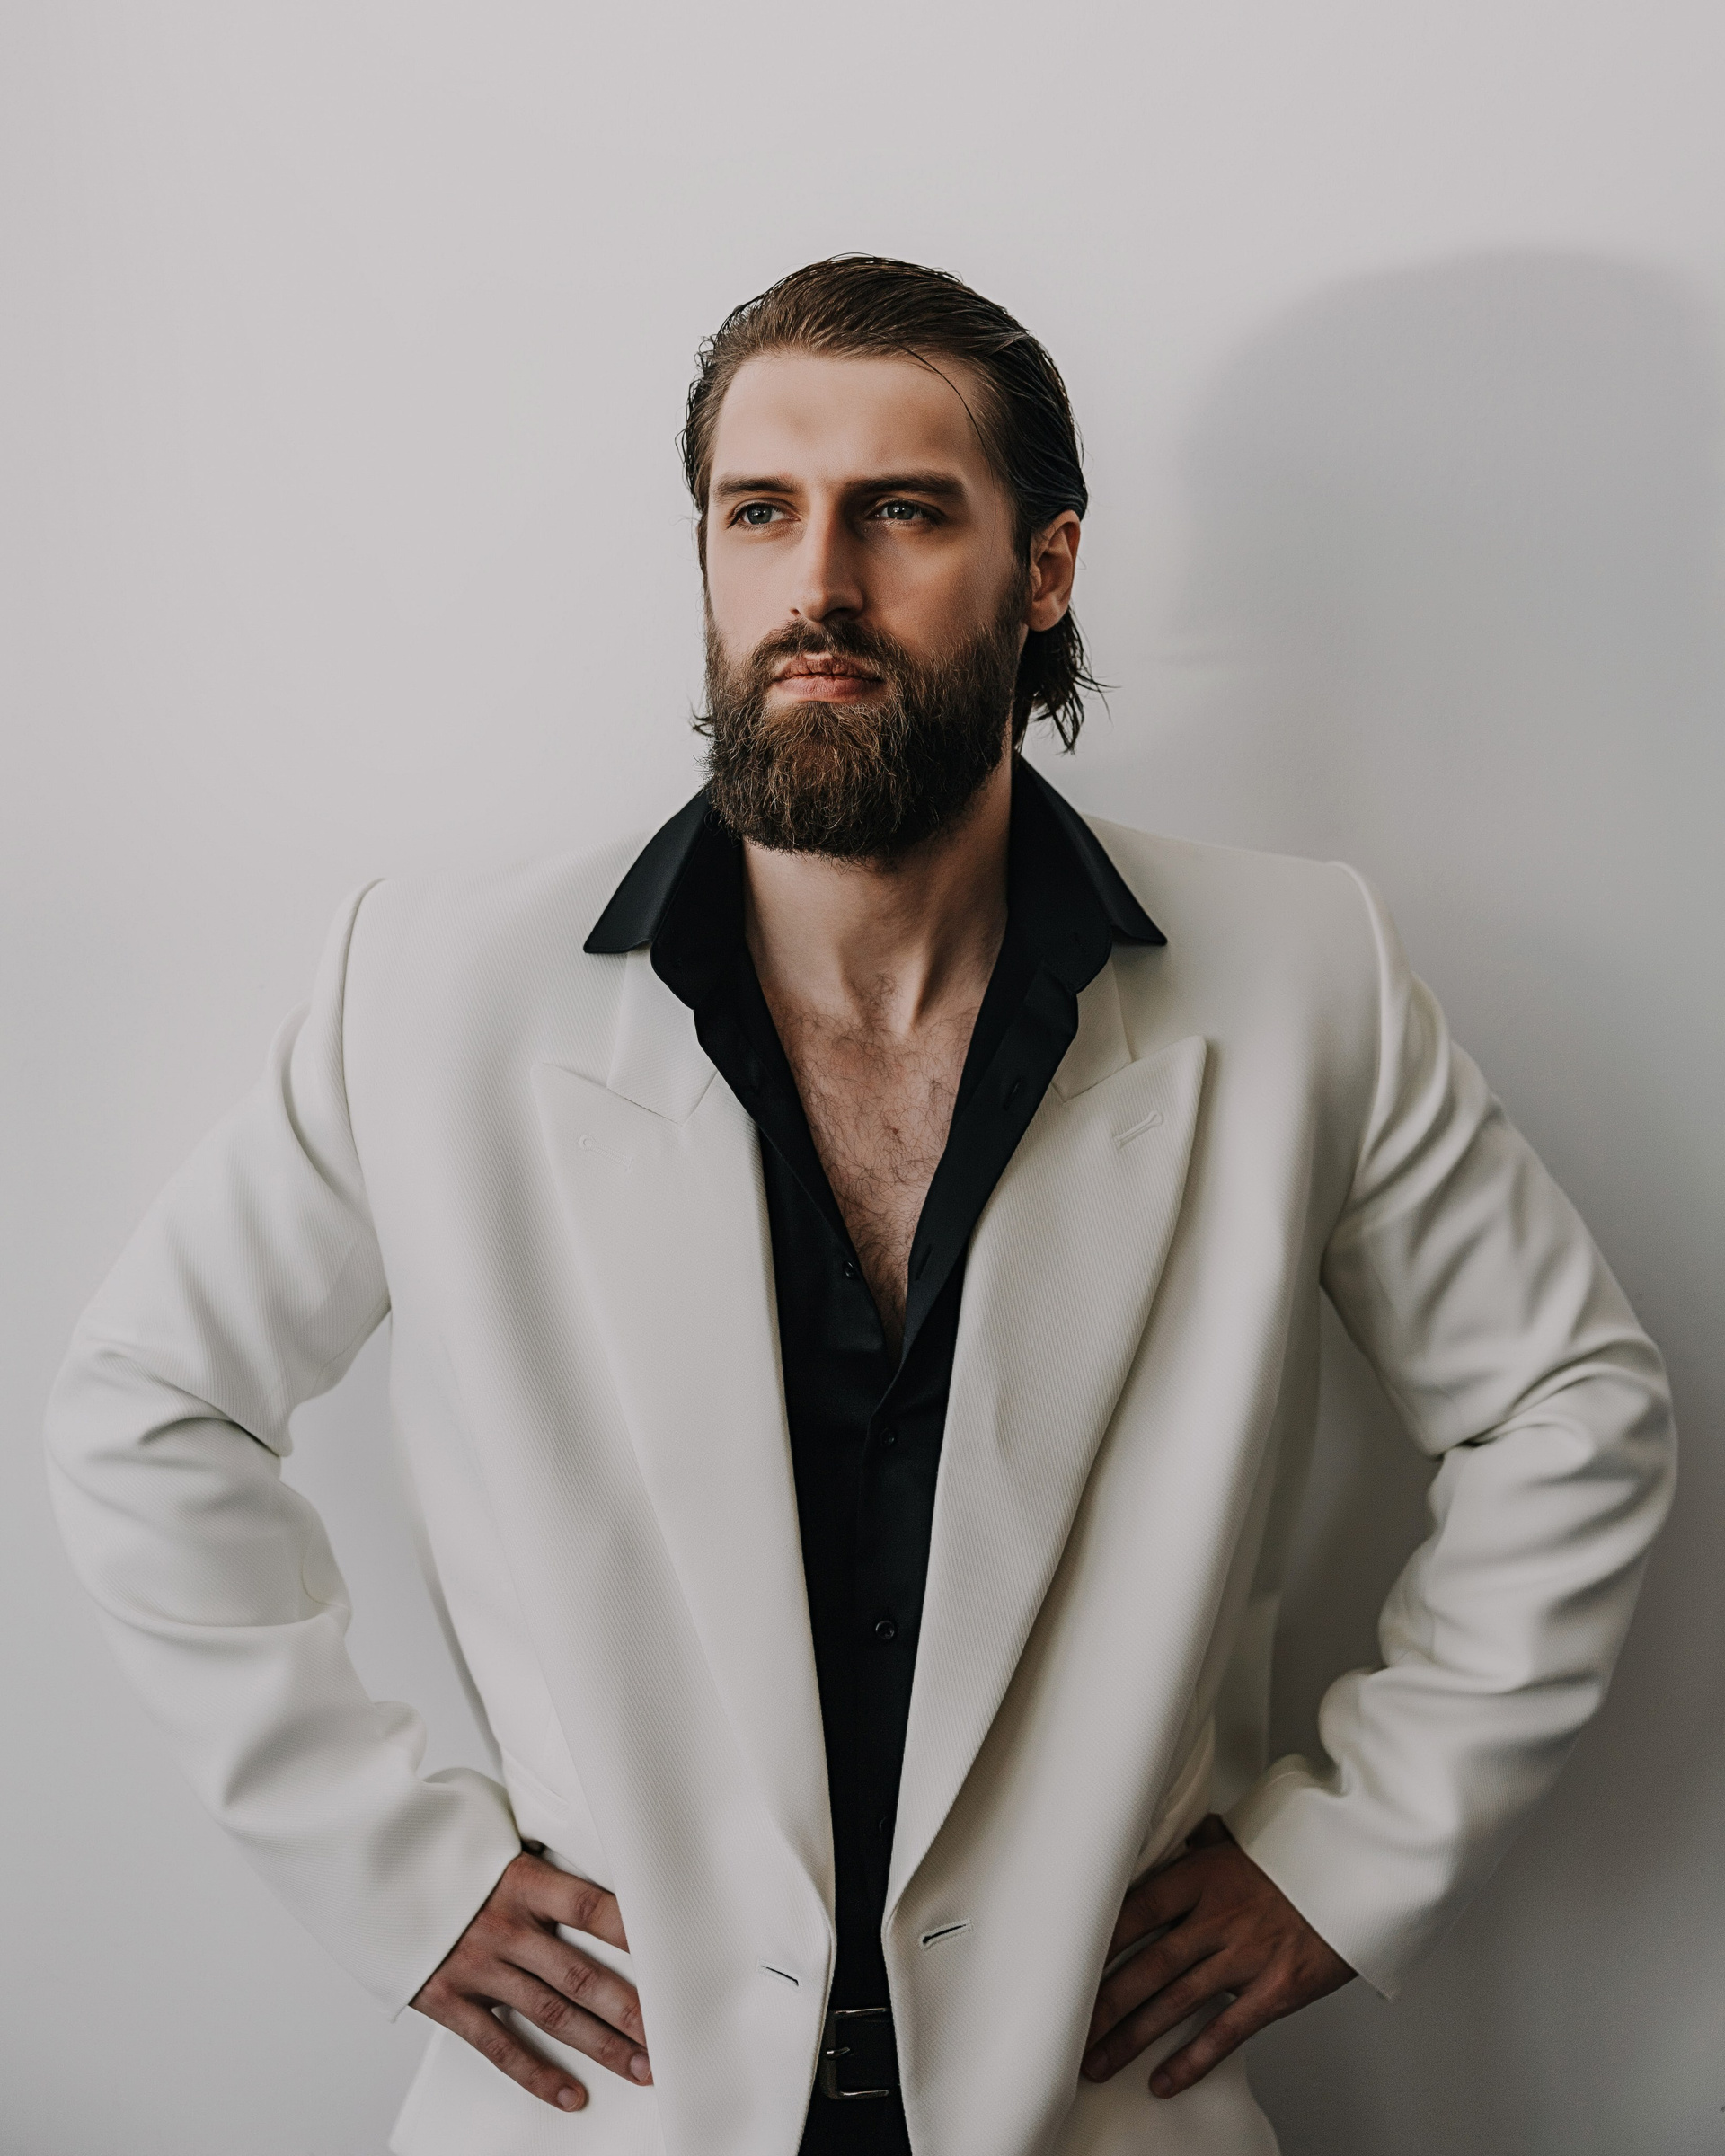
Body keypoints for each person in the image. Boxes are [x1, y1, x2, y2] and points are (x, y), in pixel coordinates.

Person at [46, 257, 1675, 2156]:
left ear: (1044, 569)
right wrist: (396, 1876)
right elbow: (146, 1408)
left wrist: (1351, 1859)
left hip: (1097, 2106)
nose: (816, 584)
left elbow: (1573, 1410)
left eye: (900, 511)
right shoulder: (431, 992)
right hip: (606, 2107)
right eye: (760, 512)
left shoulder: (1301, 974)